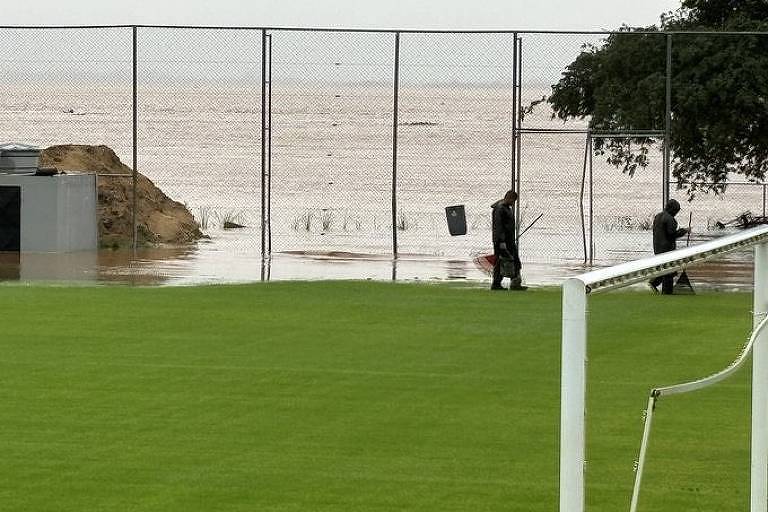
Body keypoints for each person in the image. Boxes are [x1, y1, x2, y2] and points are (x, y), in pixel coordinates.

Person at [649, 199, 689, 294]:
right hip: (667, 248)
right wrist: (684, 230)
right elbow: (672, 234)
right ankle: (667, 292)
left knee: (664, 269)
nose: (677, 213)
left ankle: (653, 284)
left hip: (657, 247)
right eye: (677, 210)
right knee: (669, 271)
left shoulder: (658, 216)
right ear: (673, 209)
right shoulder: (670, 219)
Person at [491, 190, 526, 291]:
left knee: (514, 261)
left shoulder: (506, 208)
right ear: (509, 198)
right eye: (513, 200)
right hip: (502, 241)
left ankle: (515, 283)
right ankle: (496, 284)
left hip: (508, 240)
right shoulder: (500, 209)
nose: (513, 203)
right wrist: (501, 242)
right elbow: (499, 227)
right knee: (501, 262)